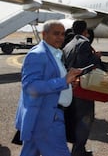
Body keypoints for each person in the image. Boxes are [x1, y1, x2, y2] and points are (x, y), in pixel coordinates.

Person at [15, 20, 82, 156]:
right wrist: (64, 81)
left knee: (29, 153)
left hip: (40, 117)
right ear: (44, 34)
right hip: (46, 118)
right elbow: (30, 86)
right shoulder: (38, 54)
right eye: (56, 34)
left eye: (63, 34)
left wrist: (68, 84)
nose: (60, 37)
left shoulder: (54, 53)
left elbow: (49, 80)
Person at [63, 20, 103, 156]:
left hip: (70, 88)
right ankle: (78, 151)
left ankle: (77, 150)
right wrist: (95, 58)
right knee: (85, 120)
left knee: (75, 120)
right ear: (85, 31)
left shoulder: (69, 44)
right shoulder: (84, 44)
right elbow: (84, 67)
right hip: (82, 89)